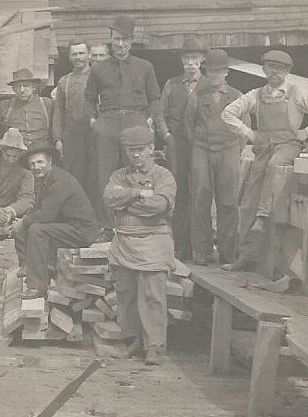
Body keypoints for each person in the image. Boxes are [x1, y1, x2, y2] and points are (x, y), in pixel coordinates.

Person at [221, 50, 308, 271]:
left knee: (275, 166)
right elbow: (227, 113)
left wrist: (307, 132)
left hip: (288, 146)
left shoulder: (297, 94)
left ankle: (263, 217)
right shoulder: (255, 95)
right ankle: (246, 257)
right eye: (270, 67)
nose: (274, 72)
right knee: (247, 202)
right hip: (263, 149)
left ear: (287, 71)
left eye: (279, 68)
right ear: (264, 69)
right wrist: (250, 134)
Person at [104, 125, 176, 366]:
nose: (135, 155)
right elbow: (108, 198)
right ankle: (133, 340)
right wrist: (139, 193)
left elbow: (158, 206)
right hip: (124, 240)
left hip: (154, 239)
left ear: (151, 149)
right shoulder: (118, 176)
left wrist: (125, 201)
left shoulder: (163, 176)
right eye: (131, 150)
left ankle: (154, 346)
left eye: (140, 150)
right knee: (126, 294)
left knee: (152, 296)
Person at [85, 15, 163, 232]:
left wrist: (148, 120)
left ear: (131, 41)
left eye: (125, 40)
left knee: (135, 171)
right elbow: (89, 98)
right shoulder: (99, 69)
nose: (120, 44)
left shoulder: (145, 67)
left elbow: (155, 98)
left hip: (135, 121)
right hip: (107, 123)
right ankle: (108, 226)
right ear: (111, 39)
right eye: (116, 39)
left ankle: (135, 223)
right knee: (105, 174)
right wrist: (94, 122)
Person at [183, 49, 242, 266]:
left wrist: (233, 149)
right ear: (206, 72)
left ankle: (228, 253)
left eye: (219, 71)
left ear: (227, 72)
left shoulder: (237, 96)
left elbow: (244, 128)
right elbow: (189, 124)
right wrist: (200, 144)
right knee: (200, 198)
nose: (215, 75)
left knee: (228, 201)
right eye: (211, 71)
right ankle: (202, 251)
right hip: (202, 149)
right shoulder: (198, 95)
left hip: (228, 150)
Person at [18, 141, 98, 299]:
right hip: (67, 226)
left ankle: (37, 286)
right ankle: (34, 268)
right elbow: (38, 209)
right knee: (28, 225)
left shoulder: (59, 180)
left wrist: (24, 222)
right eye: (32, 164)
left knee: (36, 229)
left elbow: (47, 215)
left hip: (81, 230)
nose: (36, 167)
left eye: (40, 162)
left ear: (50, 161)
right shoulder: (45, 179)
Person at [158, 35, 206, 261]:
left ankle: (200, 247)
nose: (190, 62)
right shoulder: (172, 84)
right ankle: (180, 247)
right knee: (178, 193)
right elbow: (160, 113)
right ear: (182, 61)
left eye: (195, 58)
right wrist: (166, 135)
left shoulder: (208, 84)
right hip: (177, 143)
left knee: (200, 193)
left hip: (201, 145)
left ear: (202, 60)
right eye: (187, 58)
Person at [0, 128, 34, 310]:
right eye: (8, 155)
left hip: (10, 210)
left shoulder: (25, 171)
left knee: (25, 224)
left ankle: (25, 268)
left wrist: (11, 211)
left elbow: (28, 198)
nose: (11, 159)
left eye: (15, 155)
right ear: (2, 150)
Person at [52, 41, 93, 190]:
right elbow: (58, 112)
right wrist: (57, 139)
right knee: (72, 177)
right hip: (71, 137)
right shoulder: (64, 81)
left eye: (81, 53)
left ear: (89, 55)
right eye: (74, 54)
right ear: (69, 57)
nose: (78, 57)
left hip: (94, 135)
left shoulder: (98, 77)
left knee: (95, 176)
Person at [0, 68, 52, 145]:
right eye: (18, 86)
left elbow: (61, 123)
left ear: (33, 87)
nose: (22, 90)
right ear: (13, 89)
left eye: (26, 86)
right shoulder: (5, 106)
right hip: (15, 153)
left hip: (41, 151)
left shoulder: (46, 104)